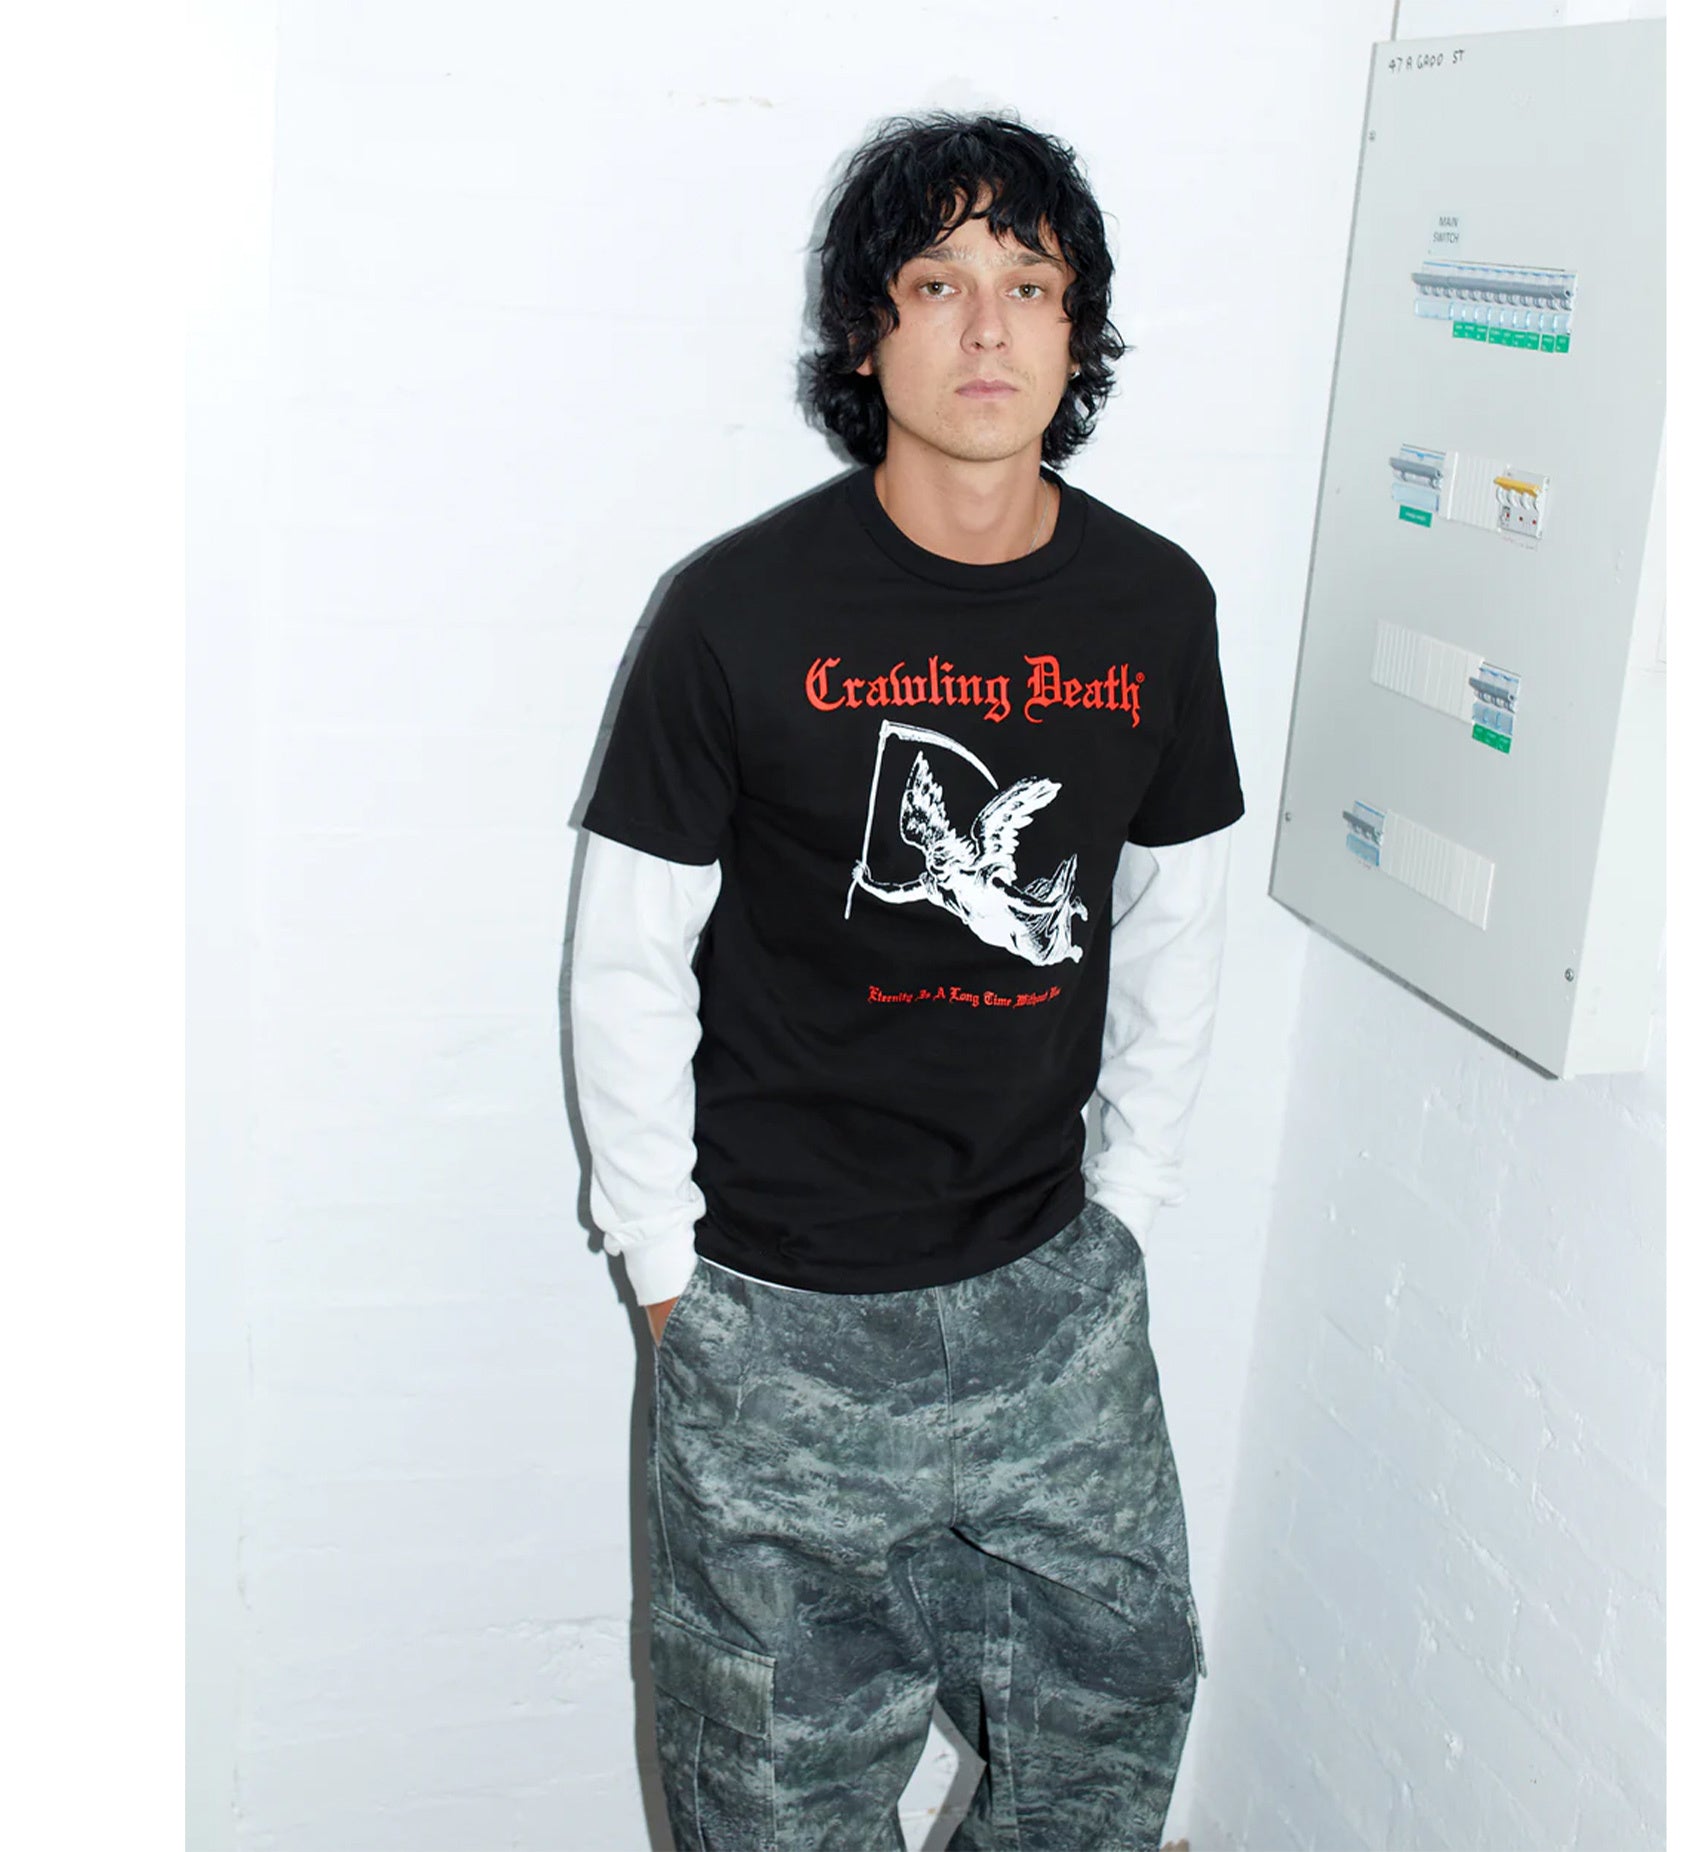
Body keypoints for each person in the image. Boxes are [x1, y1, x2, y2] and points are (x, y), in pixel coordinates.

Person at [570, 111, 1244, 1852]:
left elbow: (1177, 917)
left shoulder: (1155, 606)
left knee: (1111, 1744)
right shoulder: (734, 612)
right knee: (771, 1799)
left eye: (1031, 283)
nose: (989, 327)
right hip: (778, 1315)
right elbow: (628, 954)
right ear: (866, 333)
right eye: (937, 284)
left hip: (1051, 1301)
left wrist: (1132, 1206)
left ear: (1079, 331)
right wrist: (664, 1273)